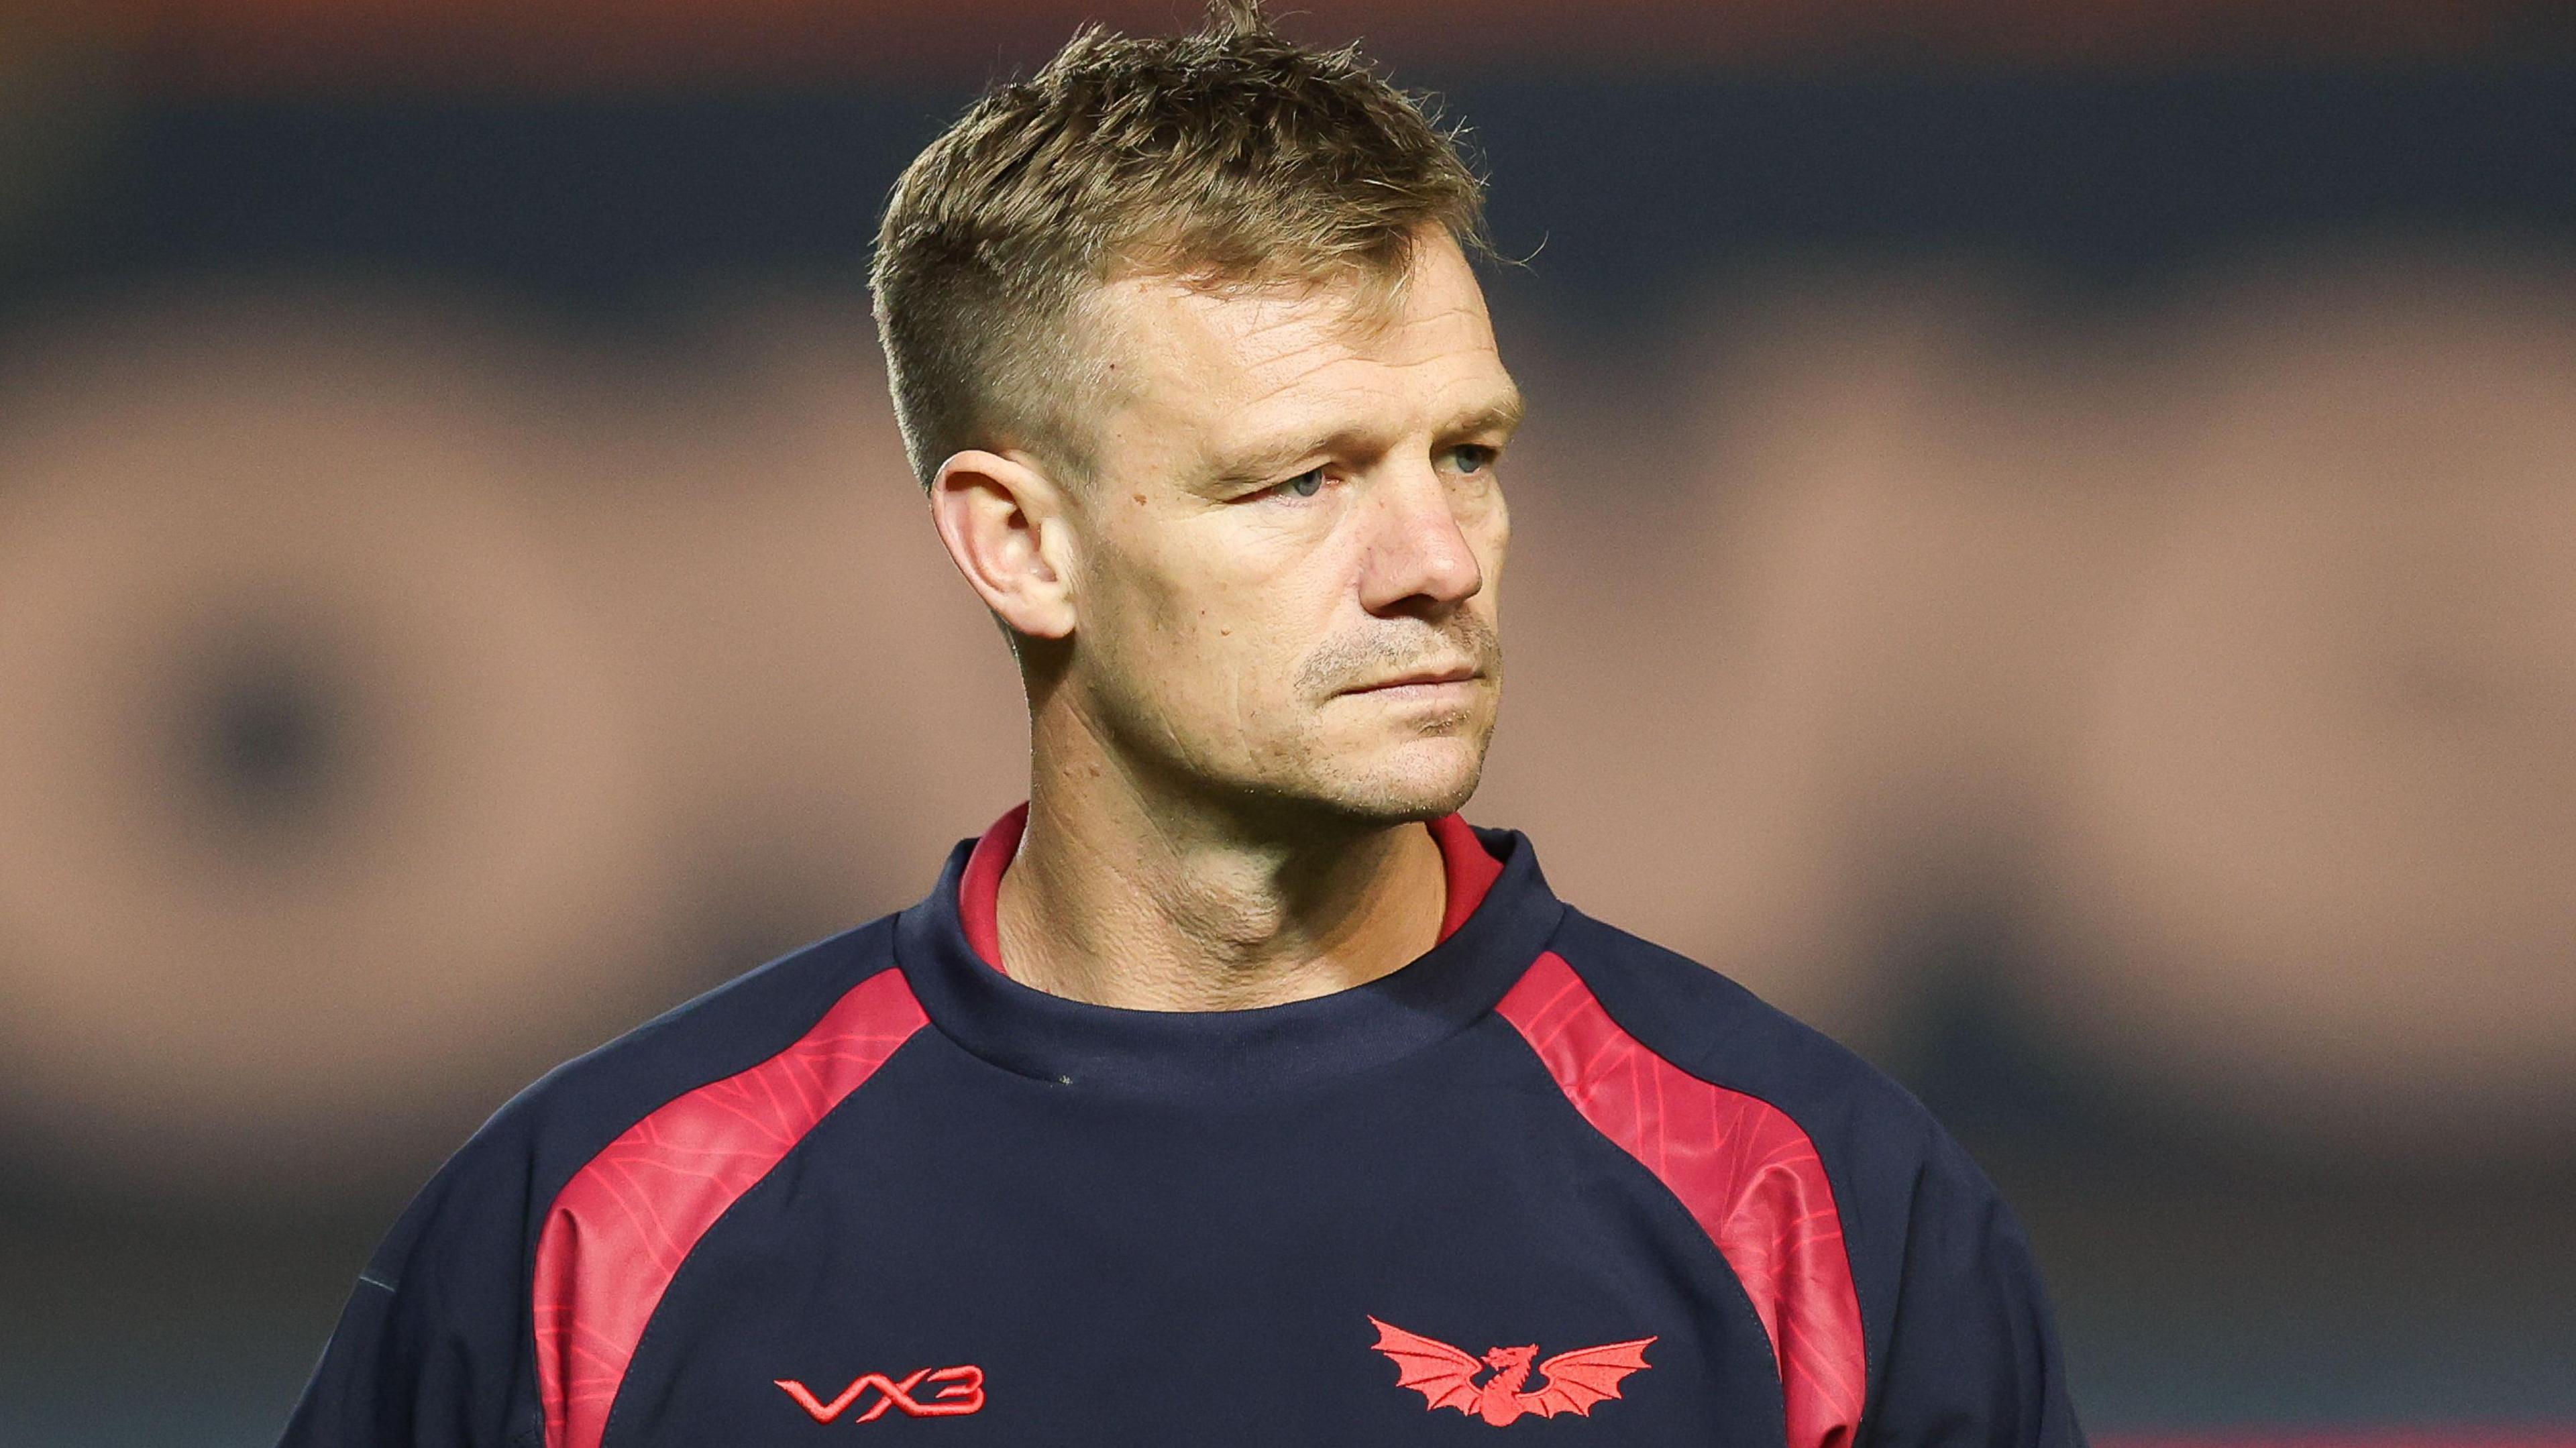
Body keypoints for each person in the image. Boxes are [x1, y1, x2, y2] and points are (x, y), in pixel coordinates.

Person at [280, 3, 2084, 1444]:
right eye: (1298, 480)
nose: (1437, 559)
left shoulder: (1811, 1205)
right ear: (1018, 542)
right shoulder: (593, 1230)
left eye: (1467, 453)